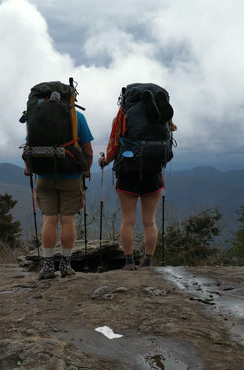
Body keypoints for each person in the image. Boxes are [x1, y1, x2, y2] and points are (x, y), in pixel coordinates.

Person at [99, 96, 175, 271]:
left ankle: (129, 262)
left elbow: (114, 144)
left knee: (128, 221)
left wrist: (105, 161)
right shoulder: (161, 116)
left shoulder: (122, 116)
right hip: (153, 173)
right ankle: (148, 262)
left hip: (128, 173)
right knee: (149, 221)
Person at [25, 110, 94, 279]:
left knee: (49, 219)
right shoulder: (77, 116)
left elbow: (28, 148)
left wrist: (29, 169)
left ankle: (48, 265)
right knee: (68, 220)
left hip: (44, 176)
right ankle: (66, 265)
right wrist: (86, 170)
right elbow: (89, 151)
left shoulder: (38, 114)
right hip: (71, 177)